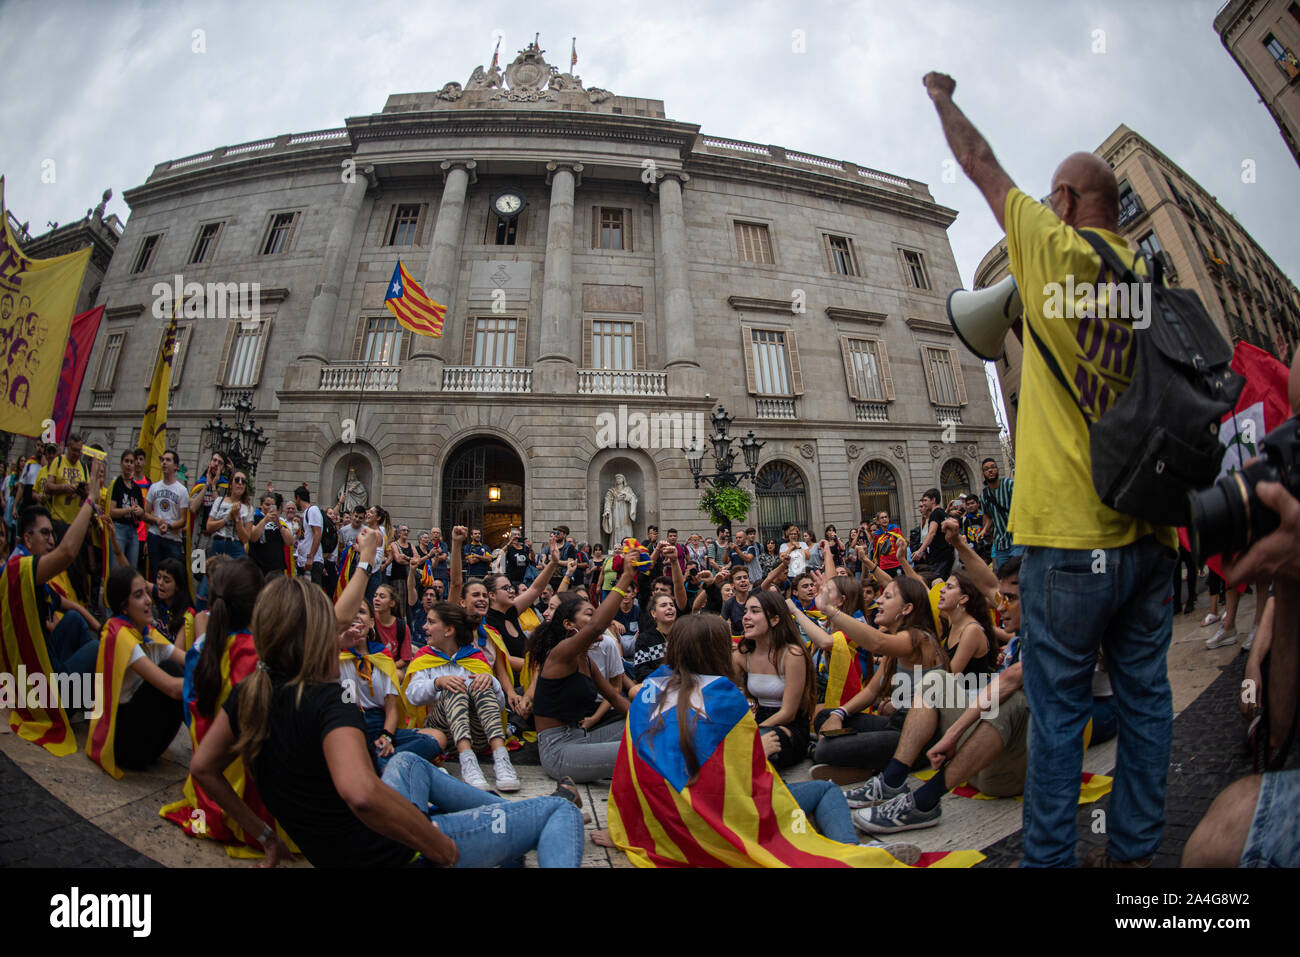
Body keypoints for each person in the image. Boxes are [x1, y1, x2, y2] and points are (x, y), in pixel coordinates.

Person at [926, 68, 1180, 867]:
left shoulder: (1056, 250)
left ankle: (1048, 861)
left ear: (1064, 201)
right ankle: (1135, 853)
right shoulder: (1142, 280)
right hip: (1150, 533)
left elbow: (980, 162)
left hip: (1069, 540)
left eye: (1051, 196)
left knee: (1058, 708)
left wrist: (941, 99)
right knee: (1147, 698)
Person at [190, 567, 586, 868]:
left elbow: (204, 768)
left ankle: (498, 821)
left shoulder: (252, 691)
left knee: (408, 760)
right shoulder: (328, 701)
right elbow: (361, 794)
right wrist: (437, 846)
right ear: (318, 632)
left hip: (347, 842)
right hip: (396, 851)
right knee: (560, 813)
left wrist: (265, 836)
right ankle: (509, 825)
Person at [606, 613, 918, 867]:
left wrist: (629, 827)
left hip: (663, 819)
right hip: (719, 816)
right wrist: (759, 750)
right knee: (823, 791)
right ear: (717, 651)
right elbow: (741, 779)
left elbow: (630, 768)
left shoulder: (649, 689)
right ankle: (853, 856)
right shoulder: (723, 696)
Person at [161, 557, 283, 853]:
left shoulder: (201, 649)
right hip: (249, 798)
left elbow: (192, 720)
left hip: (206, 793)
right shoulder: (261, 657)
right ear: (258, 603)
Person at [1, 475, 106, 756]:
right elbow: (68, 552)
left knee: (75, 622)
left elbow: (67, 605)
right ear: (27, 539)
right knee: (98, 649)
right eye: (45, 534)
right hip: (40, 694)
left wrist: (101, 626)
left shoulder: (28, 571)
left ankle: (89, 701)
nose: (52, 539)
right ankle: (97, 708)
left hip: (47, 671)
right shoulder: (19, 569)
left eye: (52, 533)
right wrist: (90, 501)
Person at [806, 577, 949, 783]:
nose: (879, 601)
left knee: (827, 747)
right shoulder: (896, 641)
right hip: (896, 722)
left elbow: (877, 642)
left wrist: (829, 610)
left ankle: (860, 765)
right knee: (826, 717)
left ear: (907, 608)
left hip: (918, 737)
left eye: (887, 597)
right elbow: (872, 691)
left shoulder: (919, 638)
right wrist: (839, 714)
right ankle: (861, 763)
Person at [528, 561, 638, 783]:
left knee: (651, 733)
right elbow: (597, 626)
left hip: (582, 737)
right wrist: (626, 577)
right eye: (590, 614)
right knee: (643, 751)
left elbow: (615, 697)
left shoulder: (586, 660)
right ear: (569, 624)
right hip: (559, 752)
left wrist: (651, 722)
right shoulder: (560, 654)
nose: (598, 619)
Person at [403, 601, 519, 791]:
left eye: (431, 622)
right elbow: (412, 696)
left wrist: (491, 681)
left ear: (449, 630)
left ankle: (502, 759)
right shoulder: (425, 656)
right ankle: (468, 764)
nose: (425, 627)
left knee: (483, 685)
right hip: (442, 736)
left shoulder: (474, 657)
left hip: (477, 736)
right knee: (454, 687)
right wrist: (437, 683)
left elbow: (499, 706)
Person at [88, 566, 187, 778]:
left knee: (180, 668)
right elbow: (172, 688)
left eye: (146, 592)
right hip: (125, 748)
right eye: (138, 595)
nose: (149, 601)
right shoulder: (121, 635)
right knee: (173, 673)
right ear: (124, 607)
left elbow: (188, 659)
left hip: (141, 736)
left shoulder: (146, 631)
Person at [339, 599, 443, 772]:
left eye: (362, 612)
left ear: (372, 622)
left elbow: (391, 708)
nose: (356, 616)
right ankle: (391, 764)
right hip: (350, 726)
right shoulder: (335, 655)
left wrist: (386, 736)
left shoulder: (383, 658)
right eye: (351, 612)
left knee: (437, 738)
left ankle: (377, 763)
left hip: (380, 726)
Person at [733, 589, 816, 770]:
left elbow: (788, 713)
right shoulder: (742, 655)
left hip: (789, 726)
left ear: (774, 619)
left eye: (754, 611)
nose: (746, 617)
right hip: (760, 721)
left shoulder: (792, 654)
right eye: (745, 611)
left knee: (752, 753)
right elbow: (721, 691)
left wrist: (751, 734)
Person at [145, 450, 201, 573]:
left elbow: (182, 520)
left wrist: (168, 526)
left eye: (168, 460)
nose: (164, 462)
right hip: (154, 536)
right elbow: (146, 513)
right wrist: (157, 521)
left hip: (173, 540)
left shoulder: (182, 491)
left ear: (176, 466)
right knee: (155, 574)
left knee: (171, 576)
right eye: (162, 460)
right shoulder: (154, 487)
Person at [107, 450, 144, 571]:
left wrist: (140, 512)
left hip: (134, 531)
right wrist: (128, 509)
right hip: (119, 529)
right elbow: (112, 511)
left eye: (131, 462)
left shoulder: (137, 488)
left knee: (132, 569)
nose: (129, 464)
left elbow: (142, 513)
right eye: (126, 461)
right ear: (121, 463)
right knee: (117, 568)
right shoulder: (117, 483)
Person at [978, 458, 1018, 566]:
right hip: (1000, 543)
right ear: (983, 474)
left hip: (1017, 540)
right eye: (986, 469)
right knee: (1004, 577)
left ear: (998, 470)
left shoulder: (1009, 485)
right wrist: (984, 530)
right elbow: (989, 517)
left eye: (992, 467)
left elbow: (1020, 507)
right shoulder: (984, 496)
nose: (990, 470)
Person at [152, 557, 197, 650]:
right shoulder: (162, 595)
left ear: (177, 586)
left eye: (166, 580)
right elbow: (136, 581)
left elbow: (176, 655)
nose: (160, 583)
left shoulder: (186, 616)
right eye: (158, 577)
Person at [207, 471, 253, 562]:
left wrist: (237, 518)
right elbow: (209, 526)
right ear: (231, 484)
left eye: (243, 481)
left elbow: (245, 539)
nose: (240, 483)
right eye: (237, 480)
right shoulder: (219, 501)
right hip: (217, 543)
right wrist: (227, 518)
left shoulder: (248, 508)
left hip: (235, 546)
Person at [248, 493, 294, 578]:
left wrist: (279, 525)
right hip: (258, 566)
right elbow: (253, 537)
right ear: (261, 505)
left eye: (272, 505)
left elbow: (290, 542)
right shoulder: (255, 518)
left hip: (276, 568)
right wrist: (265, 520)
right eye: (267, 504)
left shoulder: (279, 521)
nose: (269, 507)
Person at [912, 489, 954, 579]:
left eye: (925, 500)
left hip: (940, 557)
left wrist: (920, 551)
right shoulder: (942, 512)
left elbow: (932, 533)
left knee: (936, 582)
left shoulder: (935, 514)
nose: (924, 503)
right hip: (945, 555)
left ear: (933, 500)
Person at [369, 584, 412, 669]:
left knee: (400, 675)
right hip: (369, 668)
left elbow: (405, 659)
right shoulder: (368, 621)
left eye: (382, 596)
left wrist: (387, 669)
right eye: (375, 596)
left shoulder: (402, 627)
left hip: (391, 670)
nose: (376, 599)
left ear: (392, 603)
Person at [293, 485, 325, 588]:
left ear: (298, 498)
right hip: (304, 563)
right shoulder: (305, 513)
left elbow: (317, 533)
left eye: (295, 499)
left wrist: (310, 557)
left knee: (312, 596)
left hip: (312, 563)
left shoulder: (313, 510)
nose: (295, 502)